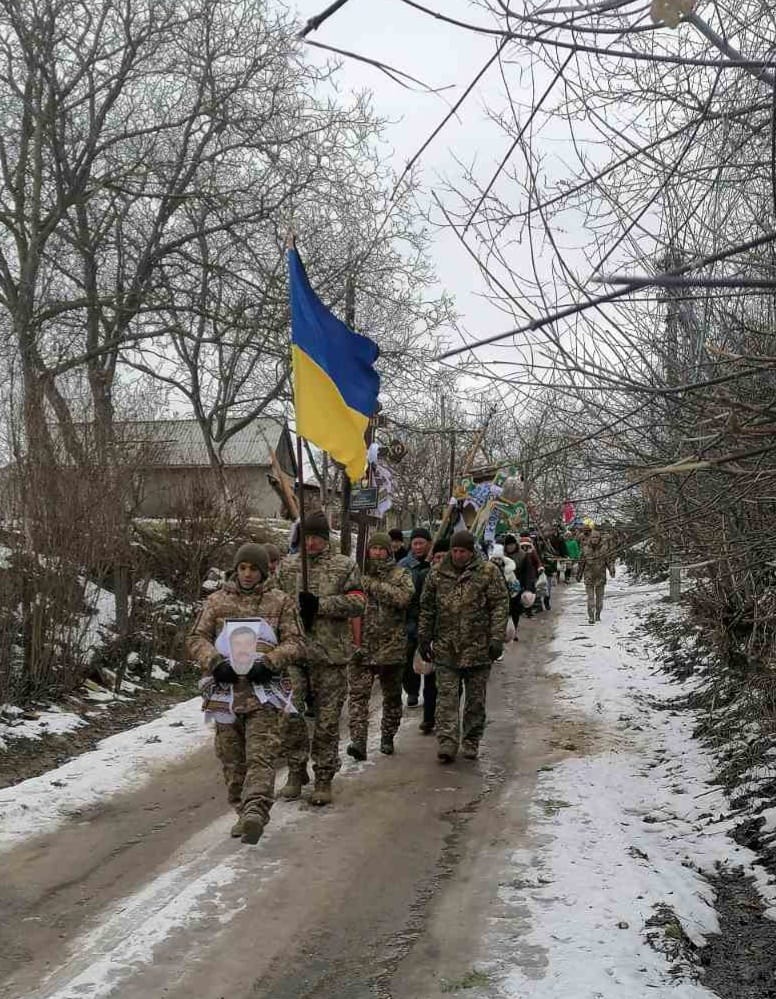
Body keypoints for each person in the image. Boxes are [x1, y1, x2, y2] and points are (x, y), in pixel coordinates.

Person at [187, 543, 304, 844]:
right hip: (225, 695)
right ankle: (242, 810)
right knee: (231, 759)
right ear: (236, 569)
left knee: (261, 756)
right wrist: (214, 662)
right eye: (243, 568)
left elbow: (296, 642)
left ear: (264, 571)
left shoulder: (280, 602)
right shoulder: (216, 602)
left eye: (253, 568)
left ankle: (255, 810)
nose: (248, 574)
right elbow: (196, 638)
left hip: (263, 694)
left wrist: (270, 662)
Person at [276, 510, 365, 806]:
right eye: (306, 537)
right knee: (289, 715)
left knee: (327, 722)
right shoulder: (288, 567)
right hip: (294, 655)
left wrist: (320, 605)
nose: (311, 543)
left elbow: (358, 603)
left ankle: (324, 777)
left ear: (325, 539)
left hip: (330, 657)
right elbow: (273, 602)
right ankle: (296, 770)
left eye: (316, 538)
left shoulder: (343, 566)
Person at [418, 530, 509, 763]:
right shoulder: (437, 573)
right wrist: (424, 638)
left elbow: (499, 605)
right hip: (446, 647)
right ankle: (447, 741)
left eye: (463, 551)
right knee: (446, 698)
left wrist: (497, 638)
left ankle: (471, 739)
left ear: (471, 552)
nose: (458, 555)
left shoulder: (488, 572)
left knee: (475, 700)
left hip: (478, 647)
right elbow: (427, 607)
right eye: (455, 551)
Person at [347, 533, 414, 760]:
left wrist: (374, 586)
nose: (376, 553)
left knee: (392, 697)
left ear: (388, 551)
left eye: (380, 549)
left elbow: (404, 598)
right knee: (357, 697)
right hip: (361, 647)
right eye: (372, 548)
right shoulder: (357, 575)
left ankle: (387, 736)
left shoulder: (400, 574)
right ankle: (358, 741)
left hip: (391, 648)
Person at [398, 527, 433, 709]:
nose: (418, 547)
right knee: (408, 656)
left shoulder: (436, 562)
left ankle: (430, 694)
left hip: (430, 618)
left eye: (422, 543)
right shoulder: (404, 565)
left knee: (429, 656)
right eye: (415, 543)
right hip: (409, 619)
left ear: (429, 544)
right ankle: (412, 691)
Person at [577, 529, 616, 624]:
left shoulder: (604, 548)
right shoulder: (585, 548)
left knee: (599, 598)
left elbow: (609, 560)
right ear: (590, 538)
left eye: (597, 537)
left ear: (599, 538)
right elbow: (581, 562)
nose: (595, 539)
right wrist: (579, 574)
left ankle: (598, 613)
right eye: (593, 537)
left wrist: (611, 570)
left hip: (600, 576)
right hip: (589, 576)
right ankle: (591, 616)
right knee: (590, 598)